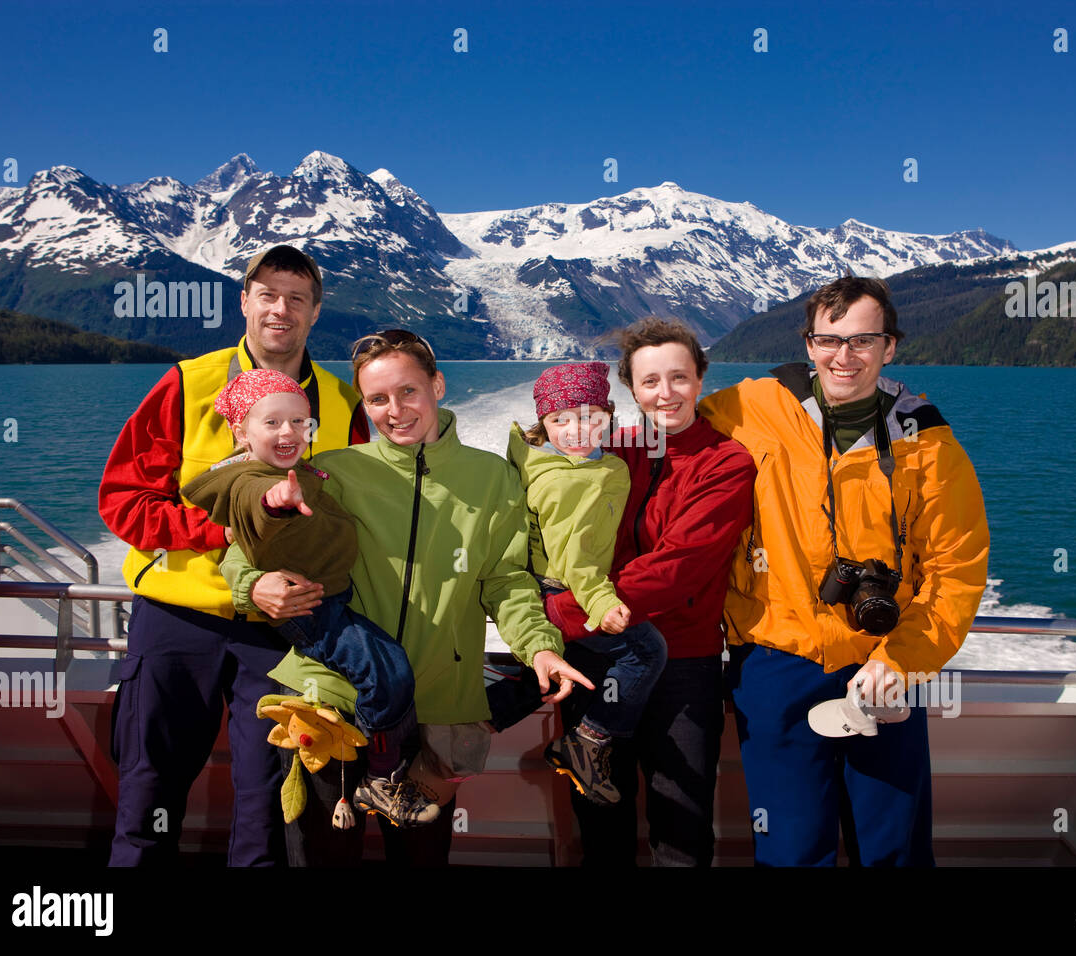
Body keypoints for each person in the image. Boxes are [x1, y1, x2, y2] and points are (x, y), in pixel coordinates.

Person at [222, 328, 592, 866]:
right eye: (377, 399)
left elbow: (505, 580)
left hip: (438, 706)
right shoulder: (334, 471)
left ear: (437, 385)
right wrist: (253, 586)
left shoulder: (493, 479)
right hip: (330, 701)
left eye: (408, 391)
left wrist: (539, 646)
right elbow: (249, 542)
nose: (394, 411)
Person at [699, 275, 990, 866]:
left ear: (890, 346)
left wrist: (901, 660)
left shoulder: (930, 444)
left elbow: (955, 571)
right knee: (789, 849)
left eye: (862, 340)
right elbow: (666, 434)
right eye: (829, 340)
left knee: (893, 850)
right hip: (776, 660)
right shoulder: (748, 408)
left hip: (885, 661)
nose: (844, 356)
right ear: (809, 344)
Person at [99, 245, 369, 866]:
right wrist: (227, 532)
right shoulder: (187, 383)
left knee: (270, 809)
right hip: (177, 620)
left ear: (316, 312)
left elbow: (351, 526)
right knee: (148, 792)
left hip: (286, 633)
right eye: (267, 295)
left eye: (297, 298)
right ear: (244, 301)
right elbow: (122, 501)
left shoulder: (343, 405)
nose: (281, 310)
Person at [542, 318, 755, 866]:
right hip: (600, 658)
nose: (666, 393)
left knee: (681, 826)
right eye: (650, 381)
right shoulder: (608, 450)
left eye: (679, 377)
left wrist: (563, 612)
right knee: (600, 822)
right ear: (631, 390)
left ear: (701, 379)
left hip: (682, 666)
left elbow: (677, 567)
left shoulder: (727, 462)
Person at [180, 368, 418, 827]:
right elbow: (254, 501)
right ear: (241, 432)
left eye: (298, 422)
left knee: (386, 666)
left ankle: (374, 760)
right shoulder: (251, 478)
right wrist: (276, 500)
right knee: (388, 671)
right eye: (271, 423)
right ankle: (379, 772)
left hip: (331, 596)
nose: (288, 432)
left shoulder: (302, 469)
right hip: (311, 606)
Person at [507, 361, 667, 806]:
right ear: (543, 424)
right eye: (561, 420)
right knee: (647, 652)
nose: (577, 431)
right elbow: (576, 559)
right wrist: (601, 602)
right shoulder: (573, 482)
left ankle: (481, 721)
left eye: (589, 417)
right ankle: (588, 739)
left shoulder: (565, 464)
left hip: (550, 586)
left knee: (552, 675)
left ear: (608, 416)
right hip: (564, 592)